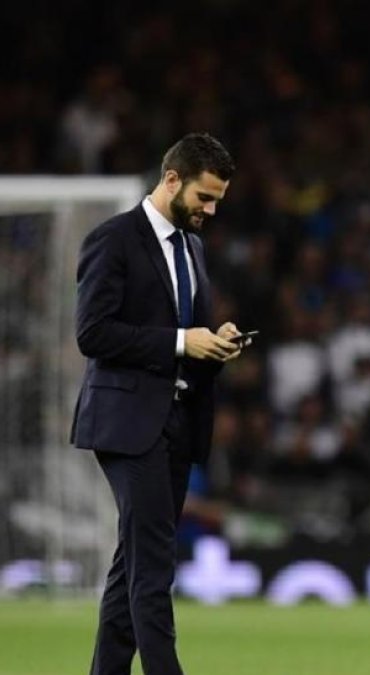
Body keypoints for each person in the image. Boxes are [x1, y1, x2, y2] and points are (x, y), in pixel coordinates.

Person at [70, 132, 248, 675]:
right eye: (204, 197)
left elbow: (188, 335)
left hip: (176, 422)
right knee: (152, 567)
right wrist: (180, 341)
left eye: (217, 200)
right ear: (172, 180)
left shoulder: (192, 246)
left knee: (133, 564)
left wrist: (215, 341)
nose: (211, 210)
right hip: (127, 424)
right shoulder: (113, 239)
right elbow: (92, 333)